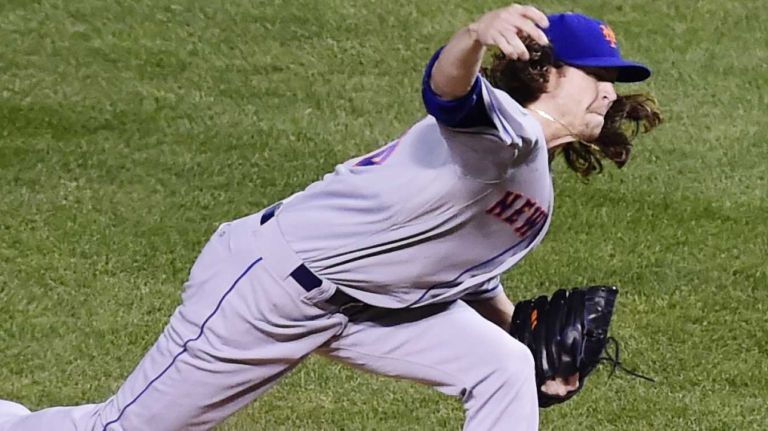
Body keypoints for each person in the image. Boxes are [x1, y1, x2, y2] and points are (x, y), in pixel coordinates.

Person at [0, 4, 661, 431]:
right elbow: (447, 93)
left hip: (372, 309)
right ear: (544, 72)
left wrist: (517, 326)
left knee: (504, 368)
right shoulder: (505, 129)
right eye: (594, 73)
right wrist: (471, 36)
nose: (609, 90)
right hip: (270, 289)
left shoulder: (527, 169)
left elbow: (454, 260)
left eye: (614, 77)